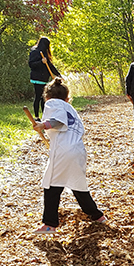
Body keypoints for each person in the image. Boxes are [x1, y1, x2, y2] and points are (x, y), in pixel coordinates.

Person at [32, 78, 106, 234]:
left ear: (47, 97)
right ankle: (97, 216)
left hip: (63, 151)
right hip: (77, 150)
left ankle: (49, 224)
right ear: (67, 98)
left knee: (51, 185)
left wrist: (42, 125)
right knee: (78, 185)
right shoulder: (70, 108)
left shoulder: (53, 104)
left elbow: (57, 121)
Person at [28, 36, 61, 120]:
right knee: (38, 97)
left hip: (44, 79)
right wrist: (41, 62)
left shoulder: (45, 53)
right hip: (37, 78)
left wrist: (58, 75)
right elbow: (31, 65)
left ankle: (44, 116)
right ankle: (36, 116)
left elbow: (50, 65)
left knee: (44, 98)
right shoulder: (34, 52)